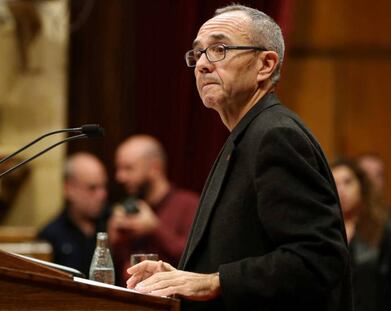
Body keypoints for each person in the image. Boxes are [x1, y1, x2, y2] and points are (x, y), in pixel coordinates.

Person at [126, 4, 352, 311]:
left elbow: (317, 259)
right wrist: (183, 276)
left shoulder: (276, 135)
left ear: (265, 64)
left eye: (219, 49)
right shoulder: (248, 134)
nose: (203, 64)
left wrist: (213, 282)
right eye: (198, 53)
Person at [107, 135, 198, 285]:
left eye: (128, 168)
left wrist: (155, 228)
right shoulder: (130, 208)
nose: (120, 177)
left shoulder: (188, 204)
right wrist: (115, 239)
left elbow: (194, 260)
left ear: (154, 168)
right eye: (119, 168)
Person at [331, 158, 391, 311]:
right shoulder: (327, 231)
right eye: (335, 184)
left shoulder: (389, 227)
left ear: (361, 186)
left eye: (348, 182)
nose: (341, 190)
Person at [38, 152, 109, 276]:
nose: (102, 195)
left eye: (103, 187)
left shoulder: (113, 224)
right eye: (92, 188)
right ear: (68, 189)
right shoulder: (51, 235)